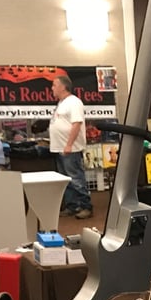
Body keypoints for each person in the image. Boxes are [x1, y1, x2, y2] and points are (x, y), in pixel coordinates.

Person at [50, 75, 92, 219]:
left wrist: (69, 144)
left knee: (76, 178)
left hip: (70, 149)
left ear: (63, 87)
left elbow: (76, 124)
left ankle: (86, 206)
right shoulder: (61, 103)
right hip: (60, 148)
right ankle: (72, 206)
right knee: (66, 180)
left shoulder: (74, 102)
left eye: (54, 85)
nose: (52, 88)